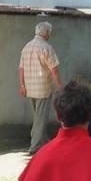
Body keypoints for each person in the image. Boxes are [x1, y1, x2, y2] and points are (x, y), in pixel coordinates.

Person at [19, 21, 62, 154]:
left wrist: (22, 85)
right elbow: (54, 70)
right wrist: (61, 87)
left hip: (29, 88)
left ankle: (43, 141)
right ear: (47, 33)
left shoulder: (26, 47)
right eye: (50, 32)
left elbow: (21, 69)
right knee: (40, 119)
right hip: (43, 88)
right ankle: (35, 146)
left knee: (38, 118)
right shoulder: (46, 48)